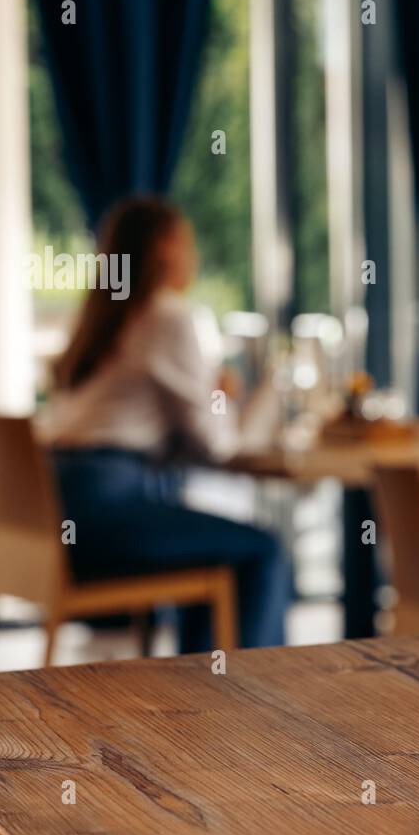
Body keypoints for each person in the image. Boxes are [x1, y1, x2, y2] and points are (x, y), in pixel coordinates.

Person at [44, 196, 289, 651]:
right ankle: (248, 705)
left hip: (58, 515)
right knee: (262, 551)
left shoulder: (99, 319)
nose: (194, 258)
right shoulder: (168, 316)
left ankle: (202, 694)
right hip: (106, 513)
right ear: (165, 248)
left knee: (209, 547)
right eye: (189, 244)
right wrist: (239, 395)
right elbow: (219, 447)